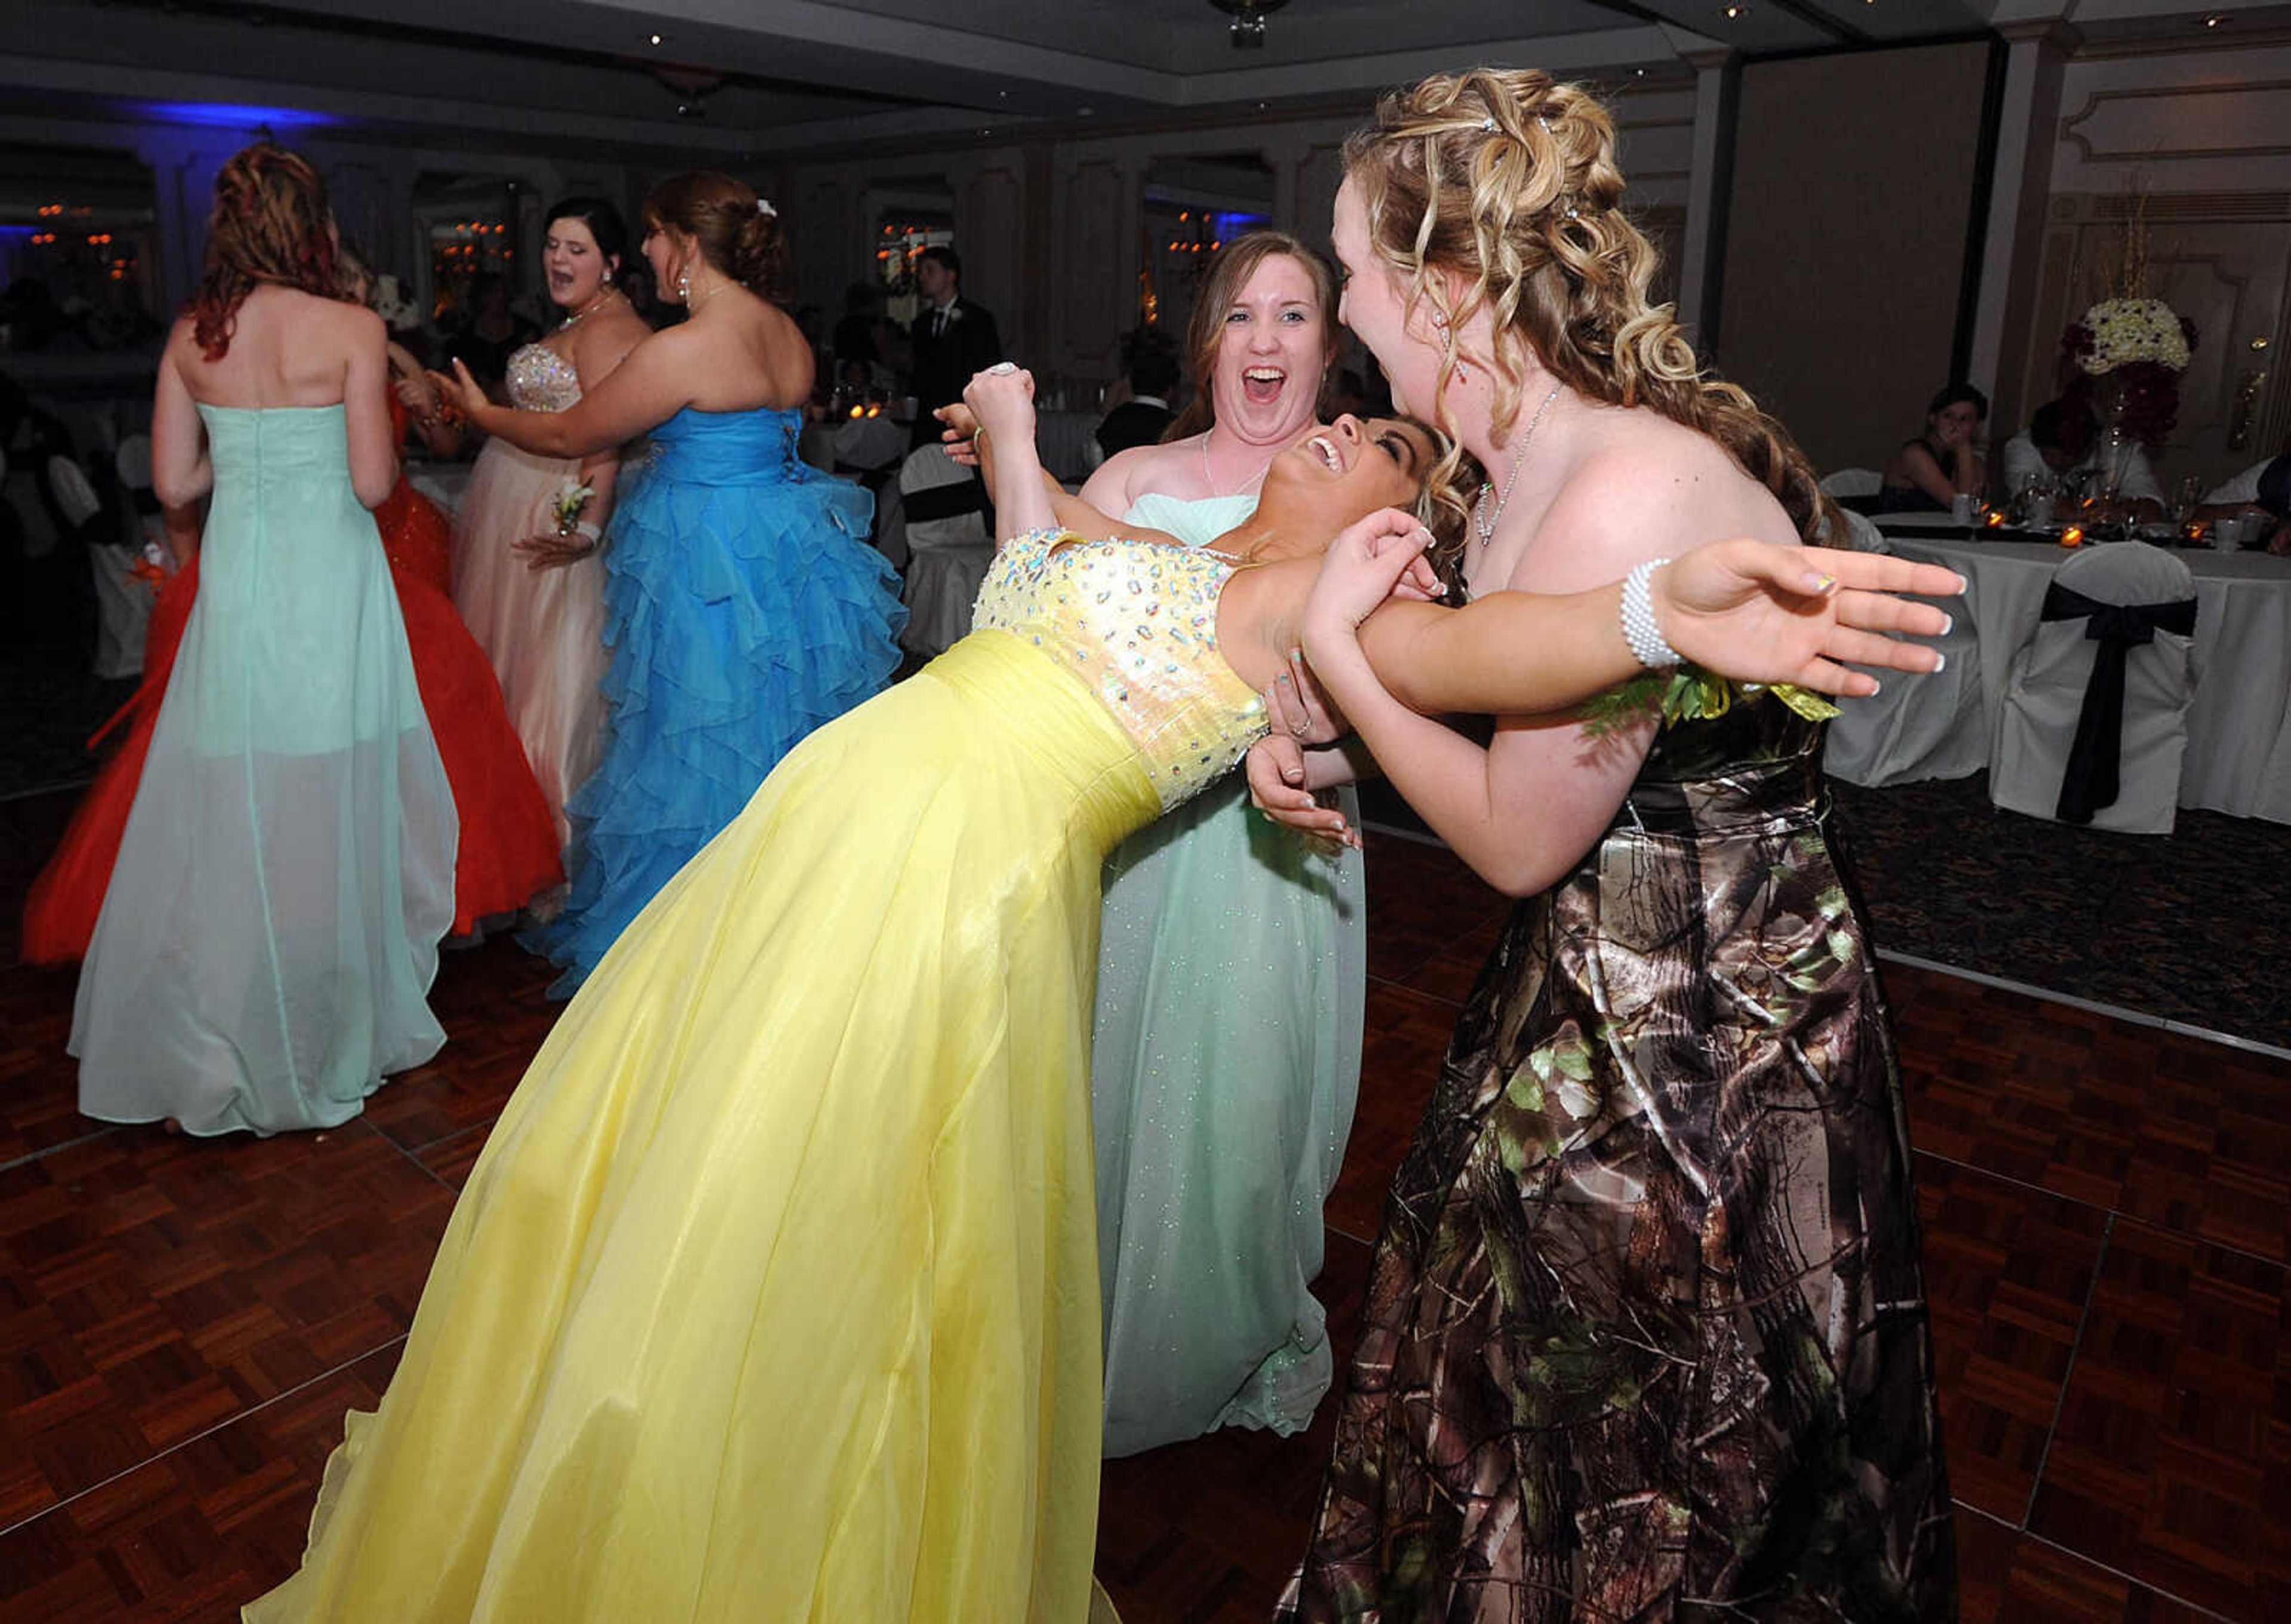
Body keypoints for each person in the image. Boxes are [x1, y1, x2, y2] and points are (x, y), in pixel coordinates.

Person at [242, 348, 1956, 1621]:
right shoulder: (1178, 550)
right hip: (829, 837)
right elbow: (1031, 574)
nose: (1337, 426)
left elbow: (1495, 652)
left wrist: (1655, 606)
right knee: (678, 1162)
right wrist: (1003, 430)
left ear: (1393, 531)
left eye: (1375, 442)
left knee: (784, 1197)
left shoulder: (1318, 611)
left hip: (951, 900)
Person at [1256, 70, 1957, 1619]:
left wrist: (1347, 664)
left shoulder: (1619, 487)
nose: (1350, 314)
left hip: (1703, 1031)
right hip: (1605, 979)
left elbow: (1516, 833)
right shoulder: (1513, 464)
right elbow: (1485, 687)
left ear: (1446, 286)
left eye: (1357, 274)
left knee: (1654, 1458)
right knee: (1527, 1422)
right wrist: (1317, 709)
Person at [63, 143, 456, 1137]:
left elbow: (174, 485)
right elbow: (373, 486)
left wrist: (240, 458)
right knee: (333, 796)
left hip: (241, 589)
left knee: (241, 799)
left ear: (228, 228)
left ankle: (235, 1015)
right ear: (312, 224)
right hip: (332, 588)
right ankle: (331, 1017)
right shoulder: (354, 327)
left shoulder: (195, 336)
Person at [1073, 231, 1391, 1458]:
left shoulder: (1366, 488)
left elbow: (1402, 704)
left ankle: (1227, 1329)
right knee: (1116, 1078)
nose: (1267, 341)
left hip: (1281, 840)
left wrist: (1312, 757)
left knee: (1248, 1099)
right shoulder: (1132, 479)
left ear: (1329, 343)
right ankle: (1097, 1319)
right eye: (1245, 316)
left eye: (1296, 316)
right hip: (1144, 837)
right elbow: (1045, 610)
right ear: (1211, 339)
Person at [433, 172, 905, 993]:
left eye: (654, 235)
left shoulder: (683, 348)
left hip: (707, 558)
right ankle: (785, 923)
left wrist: (480, 413)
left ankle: (702, 948)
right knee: (777, 735)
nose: (647, 250)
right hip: (787, 551)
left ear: (687, 245)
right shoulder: (785, 335)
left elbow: (575, 429)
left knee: (698, 738)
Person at [22, 255, 558, 962]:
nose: (360, 291)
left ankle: (351, 900)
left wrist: (428, 409)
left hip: (387, 540)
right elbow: (357, 475)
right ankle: (334, 903)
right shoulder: (325, 339)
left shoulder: (340, 342)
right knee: (333, 730)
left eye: (367, 284)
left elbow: (432, 444)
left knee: (371, 722)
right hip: (336, 545)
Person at [441, 197, 651, 854]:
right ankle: (507, 834)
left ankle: (552, 844)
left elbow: (603, 444)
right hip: (515, 498)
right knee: (511, 668)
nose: (559, 259)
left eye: (578, 249)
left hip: (557, 512)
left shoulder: (612, 329)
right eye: (553, 245)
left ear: (613, 263)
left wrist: (584, 529)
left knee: (554, 677)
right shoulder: (577, 321)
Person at [1998, 394, 2165, 516]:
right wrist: (2100, 512)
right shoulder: (2022, 446)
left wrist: (2106, 512)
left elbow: (2152, 508)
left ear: (2094, 442)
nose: (2062, 462)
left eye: (2071, 455)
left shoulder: (2123, 453)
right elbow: (2028, 498)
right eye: (2054, 455)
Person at [906, 244, 1002, 443]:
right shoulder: (920, 324)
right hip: (927, 421)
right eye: (921, 272)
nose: (923, 278)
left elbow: (987, 368)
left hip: (963, 418)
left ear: (951, 276)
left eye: (930, 271)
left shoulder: (978, 320)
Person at [1878, 381, 1987, 512]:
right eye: (1948, 416)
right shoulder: (1915, 455)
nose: (1955, 425)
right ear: (1933, 418)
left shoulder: (1971, 460)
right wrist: (1964, 449)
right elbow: (1962, 510)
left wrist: (1965, 455)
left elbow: (1976, 508)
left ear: (1976, 426)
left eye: (1964, 419)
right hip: (1900, 531)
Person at [1088, 334, 1178, 466]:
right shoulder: (1176, 427)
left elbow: (1095, 456)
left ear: (1131, 383)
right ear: (1171, 390)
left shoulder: (1114, 418)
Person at [446, 270, 537, 400]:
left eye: (503, 291)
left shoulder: (525, 331)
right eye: (493, 292)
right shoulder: (464, 339)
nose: (500, 297)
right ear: (480, 297)